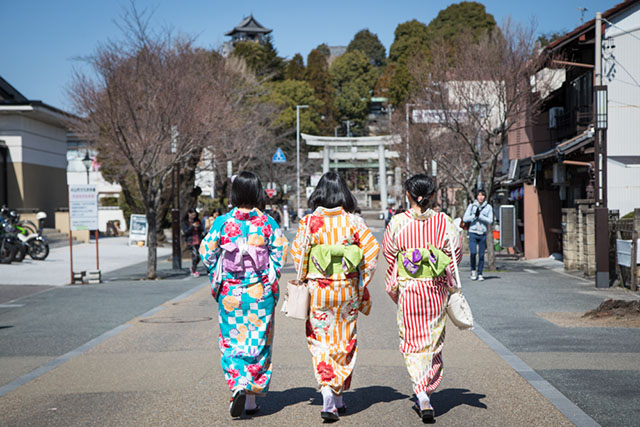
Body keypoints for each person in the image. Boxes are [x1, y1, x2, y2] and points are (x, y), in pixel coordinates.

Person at [290, 171, 380, 422]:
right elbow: (372, 250)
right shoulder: (353, 221)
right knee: (344, 338)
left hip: (319, 288)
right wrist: (362, 279)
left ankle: (328, 390)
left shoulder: (310, 222)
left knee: (320, 339)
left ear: (319, 193)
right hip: (347, 288)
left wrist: (311, 273)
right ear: (344, 193)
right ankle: (338, 396)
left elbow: (298, 254)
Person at [199, 171, 288, 418]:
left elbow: (206, 252)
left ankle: (238, 384)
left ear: (235, 193)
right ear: (258, 192)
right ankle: (250, 399)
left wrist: (224, 265)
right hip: (260, 293)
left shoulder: (222, 222)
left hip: (231, 292)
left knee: (233, 341)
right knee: (258, 342)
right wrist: (267, 275)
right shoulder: (267, 223)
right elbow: (280, 254)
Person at [382, 174, 462, 423]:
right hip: (434, 289)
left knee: (411, 340)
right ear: (433, 195)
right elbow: (454, 254)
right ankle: (427, 388)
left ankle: (420, 391)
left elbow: (389, 253)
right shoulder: (444, 222)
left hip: (409, 289)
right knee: (432, 339)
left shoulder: (397, 222)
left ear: (408, 194)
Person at [462, 189, 493, 281]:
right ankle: (473, 270)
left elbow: (490, 220)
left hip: (483, 233)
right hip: (472, 232)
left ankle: (480, 273)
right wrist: (474, 217)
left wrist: (480, 216)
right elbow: (465, 218)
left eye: (482, 195)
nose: (481, 197)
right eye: (479, 195)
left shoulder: (488, 207)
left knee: (482, 254)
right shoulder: (471, 206)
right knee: (473, 253)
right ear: (476, 196)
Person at [183, 208, 204, 277]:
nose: (193, 216)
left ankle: (193, 267)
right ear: (188, 214)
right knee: (195, 256)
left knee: (199, 256)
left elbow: (201, 230)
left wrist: (199, 227)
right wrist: (192, 226)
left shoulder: (197, 221)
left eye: (194, 215)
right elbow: (185, 232)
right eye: (192, 214)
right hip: (190, 241)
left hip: (198, 240)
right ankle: (194, 271)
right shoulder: (185, 222)